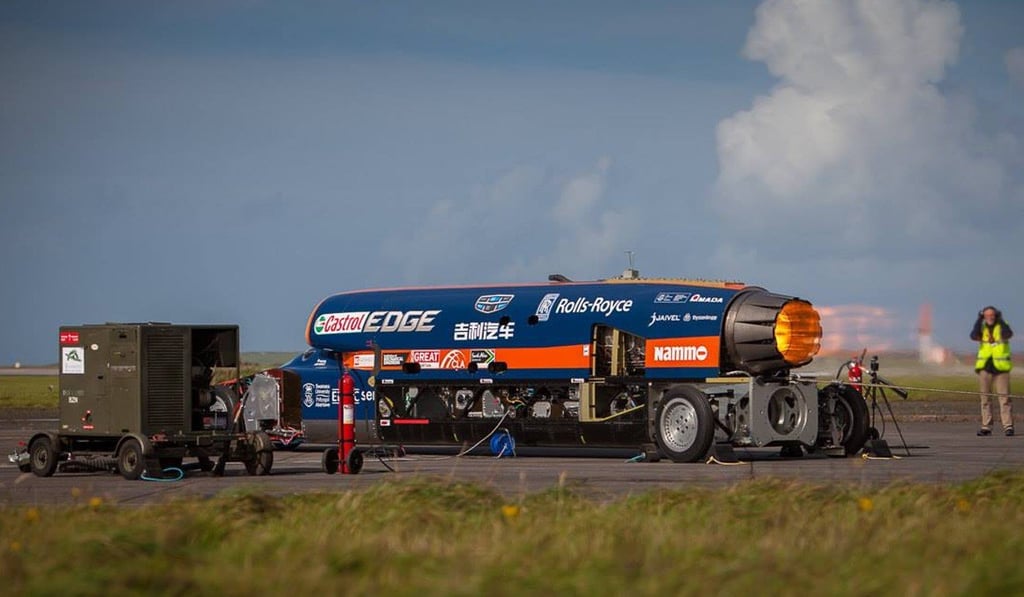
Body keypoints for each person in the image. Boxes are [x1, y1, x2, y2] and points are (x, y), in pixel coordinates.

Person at [972, 306, 1014, 436]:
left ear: (996, 315)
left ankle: (1008, 426)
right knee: (985, 398)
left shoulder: (1002, 326)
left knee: (1004, 398)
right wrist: (979, 320)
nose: (989, 317)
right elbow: (974, 335)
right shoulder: (982, 326)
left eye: (992, 315)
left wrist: (1000, 319)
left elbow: (1008, 334)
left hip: (1001, 367)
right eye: (986, 315)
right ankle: (986, 426)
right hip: (985, 366)